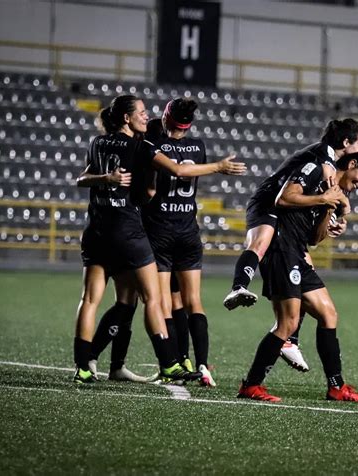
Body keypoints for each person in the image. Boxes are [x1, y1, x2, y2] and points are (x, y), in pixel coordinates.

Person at [73, 94, 246, 384]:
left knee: (94, 300)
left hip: (96, 231)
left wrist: (106, 179)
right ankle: (170, 363)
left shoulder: (97, 142)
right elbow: (175, 172)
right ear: (126, 118)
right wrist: (218, 167)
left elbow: (81, 179)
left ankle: (85, 366)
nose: (146, 116)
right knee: (152, 298)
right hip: (131, 232)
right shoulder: (141, 146)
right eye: (141, 112)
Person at [223, 118, 358, 371]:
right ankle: (239, 287)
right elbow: (292, 195)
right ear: (346, 142)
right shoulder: (324, 155)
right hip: (269, 201)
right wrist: (327, 200)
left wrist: (335, 218)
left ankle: (290, 340)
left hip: (288, 215)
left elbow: (320, 218)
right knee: (260, 243)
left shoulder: (332, 165)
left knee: (305, 269)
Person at [237, 151, 358, 402]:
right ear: (352, 164)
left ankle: (336, 387)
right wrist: (324, 197)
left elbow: (314, 238)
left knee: (328, 314)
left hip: (299, 252)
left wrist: (331, 209)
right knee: (288, 324)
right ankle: (251, 385)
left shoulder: (336, 192)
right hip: (281, 248)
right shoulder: (316, 170)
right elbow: (283, 199)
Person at [140, 98, 219, 387]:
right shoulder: (198, 147)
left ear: (166, 116)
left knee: (161, 303)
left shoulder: (154, 145)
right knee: (189, 301)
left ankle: (172, 364)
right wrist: (219, 166)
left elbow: (152, 185)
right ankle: (200, 363)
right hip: (188, 230)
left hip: (160, 231)